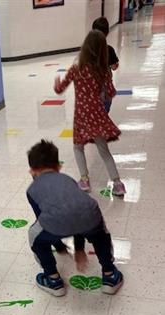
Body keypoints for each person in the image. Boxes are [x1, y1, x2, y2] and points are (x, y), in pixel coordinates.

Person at [27, 139, 124, 297]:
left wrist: (59, 247)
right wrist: (79, 249)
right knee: (101, 235)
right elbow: (76, 212)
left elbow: (44, 220)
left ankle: (53, 280)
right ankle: (110, 275)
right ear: (58, 166)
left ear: (32, 171)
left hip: (55, 224)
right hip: (91, 217)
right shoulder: (68, 179)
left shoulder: (32, 190)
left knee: (34, 236)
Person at [54, 30, 126, 196]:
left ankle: (84, 180)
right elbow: (111, 92)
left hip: (81, 115)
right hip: (98, 114)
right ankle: (118, 183)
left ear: (85, 48)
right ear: (102, 50)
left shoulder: (76, 69)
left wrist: (57, 81)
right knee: (104, 150)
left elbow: (59, 89)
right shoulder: (103, 71)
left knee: (78, 147)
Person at [92, 16, 119, 112]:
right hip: (105, 86)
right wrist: (113, 65)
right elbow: (115, 66)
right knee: (105, 109)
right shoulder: (109, 49)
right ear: (107, 32)